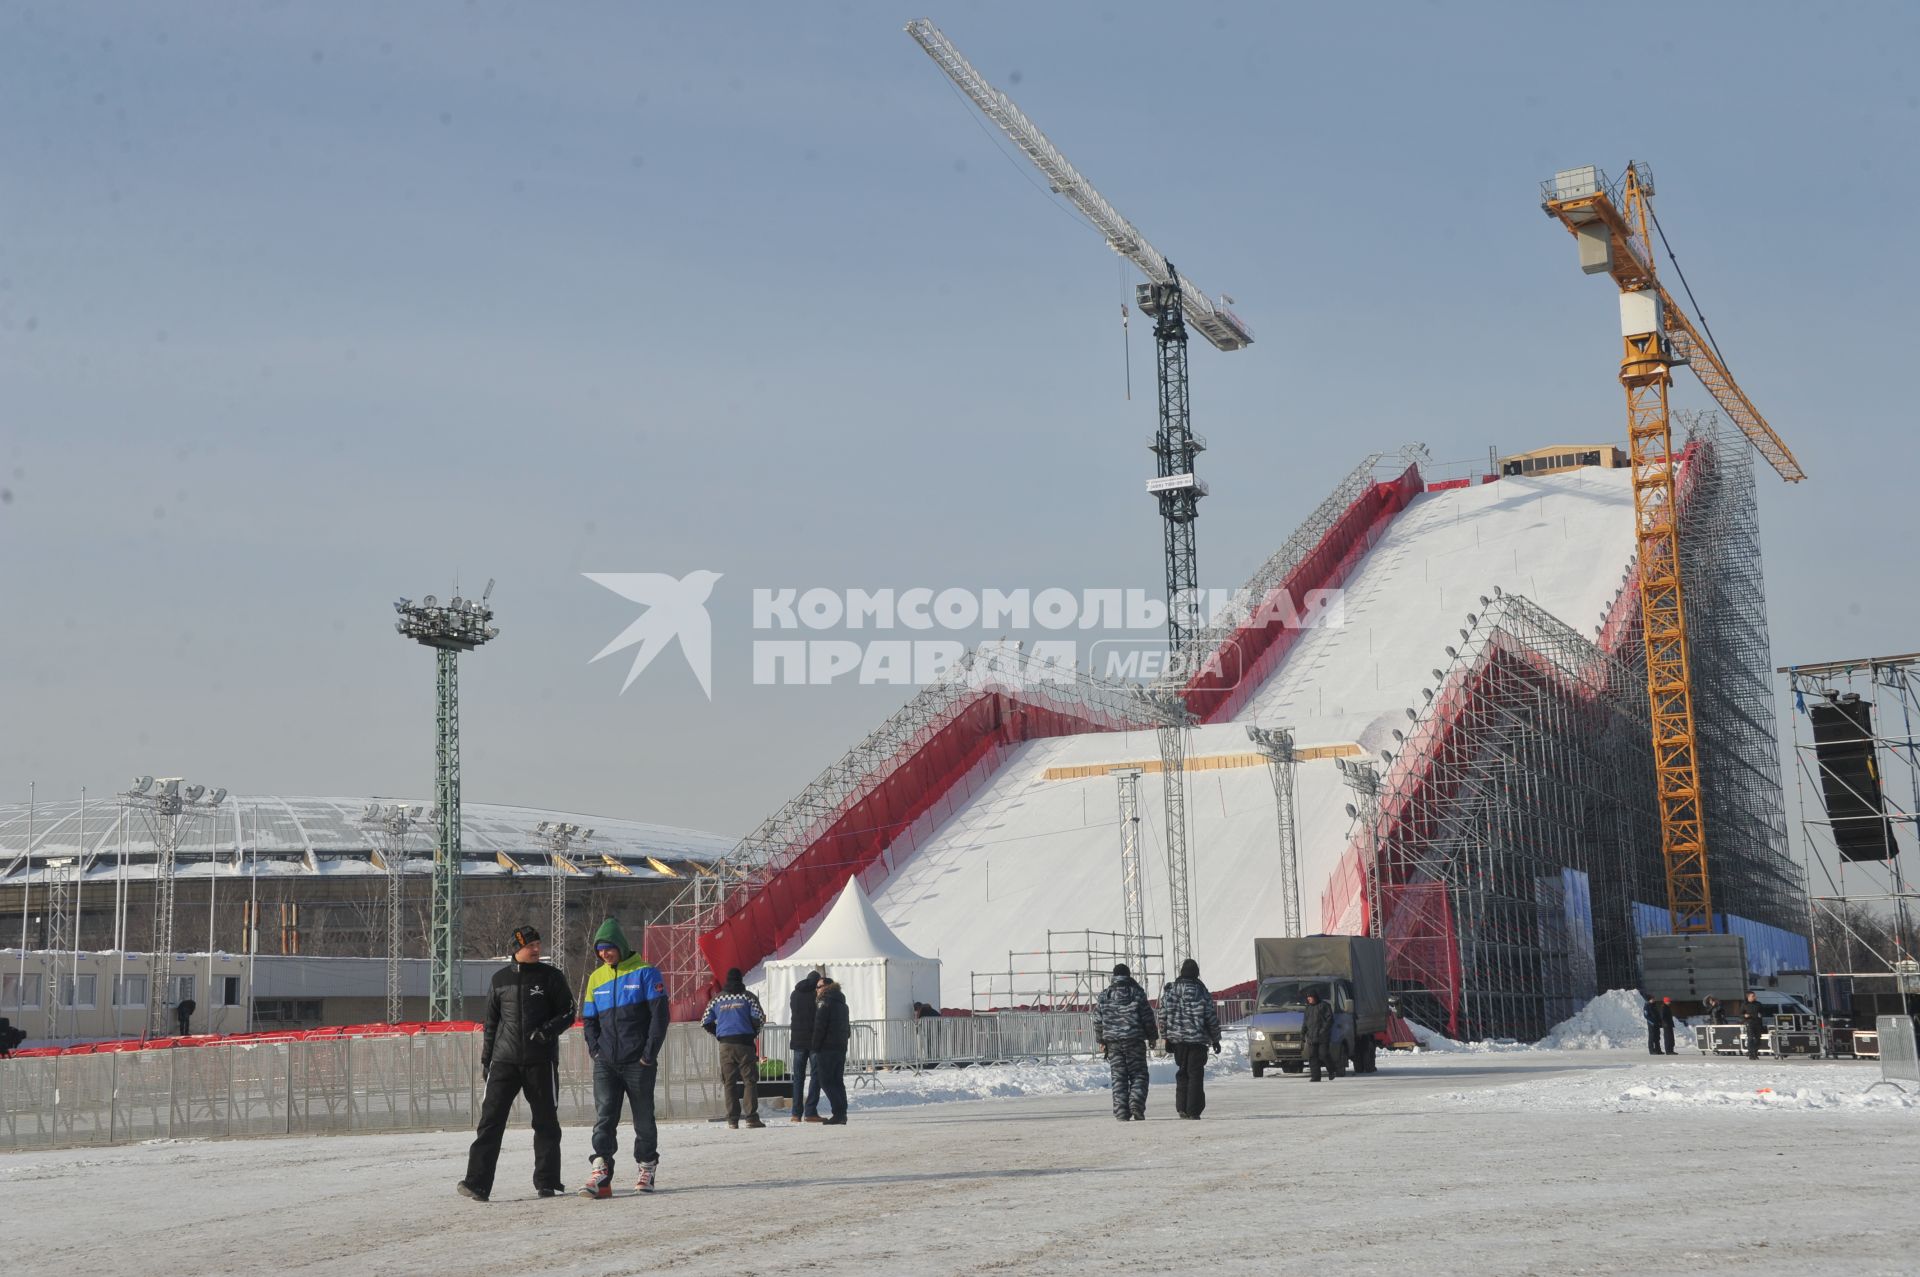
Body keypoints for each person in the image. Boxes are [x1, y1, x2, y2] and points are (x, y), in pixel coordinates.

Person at [458, 925, 575, 1203]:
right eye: (529, 945)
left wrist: (547, 1031)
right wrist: (487, 1061)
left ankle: (547, 1182)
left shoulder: (551, 977)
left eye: (538, 943)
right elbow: (491, 1024)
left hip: (540, 1061)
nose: (536, 949)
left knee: (545, 1123)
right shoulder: (499, 979)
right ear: (515, 949)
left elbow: (569, 1012)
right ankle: (477, 1184)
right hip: (504, 1063)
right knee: (489, 1123)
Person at [579, 917, 671, 1199]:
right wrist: (595, 1050)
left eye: (609, 948)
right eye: (600, 950)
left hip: (637, 1062)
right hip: (606, 1061)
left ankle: (646, 1166)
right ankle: (601, 1172)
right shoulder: (596, 978)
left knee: (643, 1117)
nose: (604, 954)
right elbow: (589, 1020)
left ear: (620, 945)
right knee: (604, 1116)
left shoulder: (646, 973)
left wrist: (648, 1054)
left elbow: (660, 1017)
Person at [702, 967, 767, 1130]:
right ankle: (751, 1117)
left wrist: (718, 1034)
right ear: (741, 979)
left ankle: (732, 1119)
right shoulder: (748, 997)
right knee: (749, 1080)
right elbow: (759, 1017)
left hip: (725, 1045)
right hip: (745, 1044)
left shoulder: (717, 1000)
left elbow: (705, 1021)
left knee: (729, 1082)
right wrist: (753, 1033)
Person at [1094, 963, 1158, 1120]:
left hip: (1113, 1043)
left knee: (1118, 1077)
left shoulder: (1105, 995)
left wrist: (1101, 1039)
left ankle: (1122, 1111)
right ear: (1128, 975)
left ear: (1114, 976)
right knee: (1139, 1074)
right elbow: (1147, 1017)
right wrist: (1152, 1036)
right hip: (1134, 1040)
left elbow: (1097, 1020)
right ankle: (1136, 1103)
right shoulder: (1137, 993)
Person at [1159, 959, 1222, 1119]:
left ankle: (1182, 1107)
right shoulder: (1201, 992)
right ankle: (1194, 1110)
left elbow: (1162, 1016)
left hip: (1178, 1041)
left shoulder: (1171, 992)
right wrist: (1215, 1039)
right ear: (1196, 973)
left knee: (1182, 1072)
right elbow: (1210, 1017)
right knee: (1195, 1074)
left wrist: (1165, 1037)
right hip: (1198, 1041)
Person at [811, 976, 851, 1125]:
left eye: (819, 986)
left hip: (826, 1047)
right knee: (837, 1080)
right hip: (840, 1047)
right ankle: (842, 1113)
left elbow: (819, 1027)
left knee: (826, 1081)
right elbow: (847, 1028)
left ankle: (839, 1112)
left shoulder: (824, 1002)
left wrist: (815, 1046)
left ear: (826, 987)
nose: (817, 990)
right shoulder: (842, 1003)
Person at [789, 969, 821, 1123]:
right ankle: (810, 1111)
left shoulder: (794, 994)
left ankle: (796, 1113)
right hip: (814, 1041)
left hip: (797, 1041)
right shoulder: (816, 995)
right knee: (816, 1076)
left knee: (798, 1078)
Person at [1303, 990, 1337, 1082]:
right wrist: (1303, 1033)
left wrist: (1323, 1031)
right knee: (1312, 1056)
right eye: (1308, 998)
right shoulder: (1308, 1008)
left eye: (1310, 997)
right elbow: (1305, 1022)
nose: (1309, 999)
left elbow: (1330, 1020)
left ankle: (1332, 1070)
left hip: (1323, 1036)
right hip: (1311, 1037)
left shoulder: (1324, 1005)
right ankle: (1316, 1077)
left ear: (1315, 997)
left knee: (1324, 1054)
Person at [1741, 991, 1768, 1060]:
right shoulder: (1745, 1004)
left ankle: (1755, 1052)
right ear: (1748, 997)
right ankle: (1750, 1053)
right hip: (1749, 1023)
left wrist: (1761, 1014)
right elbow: (1740, 1014)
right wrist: (1744, 1015)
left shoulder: (1758, 1004)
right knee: (1750, 1038)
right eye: (1753, 996)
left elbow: (1763, 1012)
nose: (1755, 997)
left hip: (1758, 1023)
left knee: (1758, 1039)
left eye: (1754, 996)